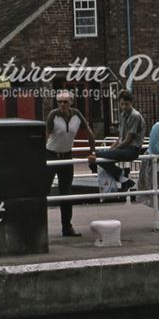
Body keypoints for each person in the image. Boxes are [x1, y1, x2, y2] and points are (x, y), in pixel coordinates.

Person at [45, 90, 98, 237]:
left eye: (65, 101)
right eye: (60, 102)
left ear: (71, 102)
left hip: (67, 156)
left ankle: (67, 227)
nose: (62, 104)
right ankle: (38, 226)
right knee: (43, 190)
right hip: (51, 154)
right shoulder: (53, 115)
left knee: (67, 192)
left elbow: (89, 133)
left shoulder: (76, 115)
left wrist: (92, 153)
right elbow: (46, 135)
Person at [94, 89, 145, 191]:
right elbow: (120, 138)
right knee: (98, 155)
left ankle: (121, 175)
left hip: (132, 149)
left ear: (131, 103)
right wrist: (110, 149)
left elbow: (128, 140)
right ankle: (124, 179)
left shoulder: (134, 116)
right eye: (122, 104)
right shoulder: (122, 115)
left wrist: (113, 150)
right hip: (124, 148)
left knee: (98, 156)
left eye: (127, 104)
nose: (124, 107)